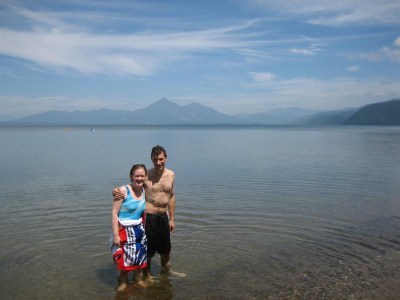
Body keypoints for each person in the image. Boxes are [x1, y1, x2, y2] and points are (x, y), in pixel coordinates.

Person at [113, 145, 181, 280]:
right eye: (155, 159)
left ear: (166, 158)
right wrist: (116, 190)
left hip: (163, 217)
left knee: (166, 250)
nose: (158, 162)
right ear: (151, 159)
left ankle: (167, 272)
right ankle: (147, 276)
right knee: (147, 251)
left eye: (161, 159)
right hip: (148, 218)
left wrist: (172, 219)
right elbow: (132, 186)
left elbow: (171, 196)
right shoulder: (146, 176)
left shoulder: (171, 175)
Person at [110, 164, 148, 291]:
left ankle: (138, 281)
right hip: (124, 230)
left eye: (142, 176)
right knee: (124, 261)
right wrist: (116, 235)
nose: (139, 178)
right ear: (131, 177)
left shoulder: (144, 190)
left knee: (139, 259)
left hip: (138, 230)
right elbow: (114, 213)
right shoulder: (123, 191)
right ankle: (122, 283)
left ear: (145, 177)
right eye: (137, 175)